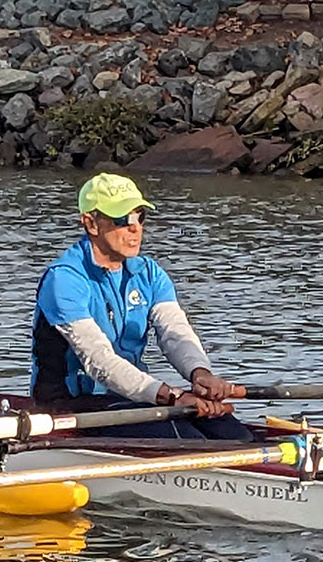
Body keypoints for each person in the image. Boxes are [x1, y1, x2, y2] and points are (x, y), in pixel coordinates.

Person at [30, 172, 251, 441]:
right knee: (188, 440)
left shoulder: (149, 273)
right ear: (91, 224)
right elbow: (99, 361)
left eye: (139, 217)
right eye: (122, 219)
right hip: (69, 405)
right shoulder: (64, 279)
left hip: (130, 398)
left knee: (233, 434)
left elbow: (175, 332)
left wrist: (201, 375)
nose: (135, 228)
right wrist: (171, 395)